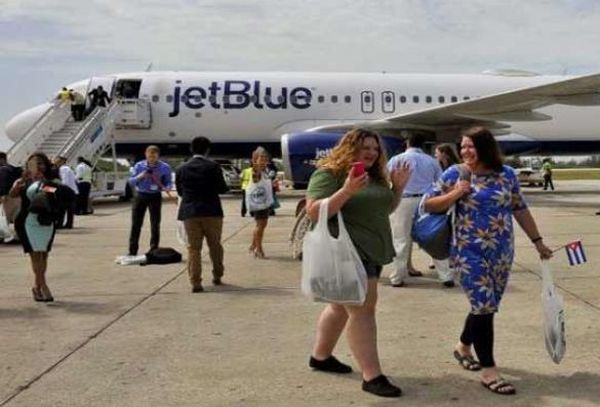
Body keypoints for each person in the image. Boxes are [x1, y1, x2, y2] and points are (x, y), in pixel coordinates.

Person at [423, 127, 552, 396]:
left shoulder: (506, 175)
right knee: (483, 306)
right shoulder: (455, 174)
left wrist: (538, 241)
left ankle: (462, 346)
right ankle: (489, 370)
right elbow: (429, 205)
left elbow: (519, 208)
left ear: (485, 147)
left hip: (502, 252)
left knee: (487, 306)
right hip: (468, 251)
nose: (466, 151)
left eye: (471, 146)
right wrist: (456, 193)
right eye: (463, 146)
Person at [305, 128, 411, 398]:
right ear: (349, 147)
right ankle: (372, 376)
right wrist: (346, 191)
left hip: (373, 250)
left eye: (376, 149)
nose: (372, 153)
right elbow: (314, 210)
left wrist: (397, 189)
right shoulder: (329, 173)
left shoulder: (374, 176)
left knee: (340, 306)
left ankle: (321, 356)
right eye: (366, 147)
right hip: (348, 252)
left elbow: (382, 209)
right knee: (363, 310)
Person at [388, 133, 454, 287]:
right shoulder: (432, 161)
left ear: (408, 143)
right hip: (426, 201)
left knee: (401, 240)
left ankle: (397, 277)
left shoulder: (396, 160)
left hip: (403, 200)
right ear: (423, 145)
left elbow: (388, 180)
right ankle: (445, 276)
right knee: (434, 237)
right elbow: (440, 183)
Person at [10, 153, 65, 302]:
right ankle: (44, 285)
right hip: (26, 221)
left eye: (41, 163)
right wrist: (20, 184)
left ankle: (37, 286)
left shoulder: (51, 181)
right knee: (35, 255)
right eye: (34, 163)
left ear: (46, 165)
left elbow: (57, 194)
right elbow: (12, 195)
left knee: (44, 254)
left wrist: (44, 184)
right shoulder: (22, 181)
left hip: (46, 221)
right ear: (28, 166)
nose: (38, 166)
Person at [176, 137, 229, 293]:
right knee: (215, 245)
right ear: (207, 150)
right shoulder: (213, 166)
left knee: (193, 248)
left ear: (191, 150)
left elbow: (180, 192)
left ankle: (195, 282)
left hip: (190, 212)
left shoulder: (181, 169)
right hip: (212, 211)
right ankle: (217, 275)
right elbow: (222, 188)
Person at [127, 145, 173, 256]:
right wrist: (140, 176)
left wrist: (168, 187)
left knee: (155, 223)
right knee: (136, 223)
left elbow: (168, 182)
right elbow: (131, 182)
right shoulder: (139, 166)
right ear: (145, 155)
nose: (151, 159)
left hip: (155, 196)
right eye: (149, 156)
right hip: (140, 195)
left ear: (158, 156)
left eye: (154, 156)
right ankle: (132, 250)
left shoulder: (165, 167)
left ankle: (154, 249)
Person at [247, 147, 273, 259]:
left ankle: (253, 245)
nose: (264, 160)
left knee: (262, 225)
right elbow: (255, 177)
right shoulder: (256, 171)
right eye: (261, 158)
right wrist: (255, 162)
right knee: (260, 225)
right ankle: (258, 248)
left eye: (265, 158)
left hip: (263, 202)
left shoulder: (265, 171)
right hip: (258, 202)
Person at [0, 152, 23, 243]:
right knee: (15, 217)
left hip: (7, 197)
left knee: (5, 217)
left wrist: (2, 194)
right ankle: (18, 236)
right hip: (16, 196)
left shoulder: (3, 170)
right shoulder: (13, 168)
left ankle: (4, 235)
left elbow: (3, 183)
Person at [53, 156, 79, 229]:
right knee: (69, 210)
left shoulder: (63, 169)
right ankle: (68, 224)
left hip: (67, 192)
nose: (55, 162)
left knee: (63, 209)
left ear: (61, 161)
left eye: (57, 161)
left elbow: (65, 181)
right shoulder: (67, 168)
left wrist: (57, 189)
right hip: (72, 191)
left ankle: (61, 224)